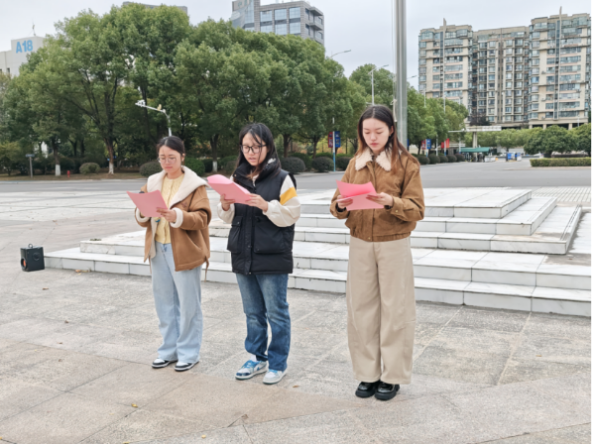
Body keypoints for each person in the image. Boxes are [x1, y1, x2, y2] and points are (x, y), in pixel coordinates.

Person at [330, 105, 425, 401]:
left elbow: (417, 209)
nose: (372, 137)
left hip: (393, 242)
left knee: (396, 309)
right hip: (360, 242)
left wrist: (390, 202)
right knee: (361, 308)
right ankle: (367, 373)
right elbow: (335, 204)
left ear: (391, 130)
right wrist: (341, 205)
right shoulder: (355, 163)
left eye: (378, 131)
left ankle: (392, 376)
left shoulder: (407, 164)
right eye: (366, 131)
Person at [218, 123, 300, 385]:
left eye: (256, 146)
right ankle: (257, 358)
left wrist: (267, 206)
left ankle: (278, 363)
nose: (251, 152)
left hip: (272, 254)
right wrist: (225, 205)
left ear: (268, 146)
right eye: (246, 147)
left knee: (276, 312)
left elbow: (292, 214)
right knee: (252, 312)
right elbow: (228, 218)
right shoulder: (237, 178)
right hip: (243, 253)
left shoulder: (282, 178)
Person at [135, 136, 211, 372]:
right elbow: (141, 216)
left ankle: (189, 353)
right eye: (162, 158)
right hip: (158, 248)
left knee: (188, 305)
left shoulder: (194, 185)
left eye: (172, 157)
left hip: (185, 250)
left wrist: (176, 216)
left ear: (182, 157)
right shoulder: (153, 182)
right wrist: (144, 211)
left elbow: (203, 218)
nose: (167, 162)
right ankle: (169, 350)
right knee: (164, 303)